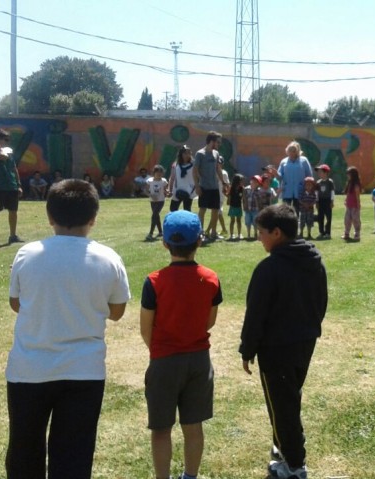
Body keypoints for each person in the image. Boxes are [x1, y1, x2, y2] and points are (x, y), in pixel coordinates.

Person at [5, 179, 131, 478]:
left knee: (24, 450)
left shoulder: (28, 253)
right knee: (74, 456)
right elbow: (117, 312)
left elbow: (16, 303)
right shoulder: (109, 258)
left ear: (49, 216)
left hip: (29, 368)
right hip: (84, 370)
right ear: (93, 218)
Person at [240, 204, 328, 479]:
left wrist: (247, 349)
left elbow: (256, 314)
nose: (259, 238)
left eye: (261, 232)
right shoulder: (314, 261)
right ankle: (282, 449)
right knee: (289, 397)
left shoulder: (269, 269)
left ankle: (294, 464)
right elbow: (321, 302)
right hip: (305, 342)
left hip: (276, 349)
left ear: (276, 233)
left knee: (282, 405)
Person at [140, 210, 222, 479]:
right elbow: (209, 321)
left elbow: (146, 328)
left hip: (164, 360)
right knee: (193, 425)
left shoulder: (154, 281)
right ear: (199, 240)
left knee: (161, 429)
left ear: (165, 243)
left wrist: (161, 348)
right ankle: (190, 475)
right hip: (199, 360)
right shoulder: (210, 278)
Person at [0, 128, 23, 249]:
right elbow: (2, 157)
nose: (7, 142)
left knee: (13, 211)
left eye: (7, 139)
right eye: (5, 139)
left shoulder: (8, 152)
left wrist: (18, 185)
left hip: (11, 186)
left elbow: (14, 168)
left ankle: (13, 236)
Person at [193, 132, 225, 242]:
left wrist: (224, 182)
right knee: (202, 210)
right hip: (204, 187)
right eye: (218, 142)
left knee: (215, 210)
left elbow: (218, 169)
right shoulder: (200, 154)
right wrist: (197, 186)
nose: (219, 144)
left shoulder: (216, 153)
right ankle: (200, 233)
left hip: (214, 187)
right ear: (212, 141)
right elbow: (194, 171)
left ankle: (213, 233)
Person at [277, 141, 314, 216]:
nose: (291, 153)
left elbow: (309, 175)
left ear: (297, 151)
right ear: (287, 151)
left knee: (296, 211)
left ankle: (296, 223)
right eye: (289, 150)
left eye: (293, 151)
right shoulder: (283, 161)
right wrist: (275, 173)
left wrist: (309, 188)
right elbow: (280, 175)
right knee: (285, 211)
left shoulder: (304, 160)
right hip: (287, 190)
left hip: (299, 190)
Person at [169, 145, 197, 212]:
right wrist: (170, 190)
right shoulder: (176, 165)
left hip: (189, 190)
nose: (187, 155)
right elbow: (172, 178)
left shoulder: (194, 164)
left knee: (187, 210)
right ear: (181, 154)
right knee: (173, 209)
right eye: (185, 153)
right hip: (177, 190)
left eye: (189, 153)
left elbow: (198, 176)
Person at [146, 165, 169, 241]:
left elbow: (165, 190)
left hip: (160, 201)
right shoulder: (150, 181)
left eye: (160, 173)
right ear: (154, 173)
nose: (159, 174)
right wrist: (151, 195)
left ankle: (151, 233)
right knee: (156, 215)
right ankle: (160, 232)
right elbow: (146, 190)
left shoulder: (164, 181)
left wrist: (167, 192)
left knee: (154, 215)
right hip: (153, 201)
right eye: (157, 172)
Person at [315, 165, 335, 239]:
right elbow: (316, 192)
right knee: (320, 217)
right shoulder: (318, 182)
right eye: (318, 172)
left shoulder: (330, 182)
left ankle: (327, 233)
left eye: (320, 172)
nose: (319, 173)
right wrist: (317, 201)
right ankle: (321, 232)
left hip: (327, 201)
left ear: (326, 172)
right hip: (320, 201)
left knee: (328, 217)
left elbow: (332, 192)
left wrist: (332, 201)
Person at [343, 166, 362, 241]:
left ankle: (357, 234)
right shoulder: (349, 183)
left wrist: (358, 205)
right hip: (349, 205)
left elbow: (357, 196)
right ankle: (346, 233)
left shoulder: (356, 185)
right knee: (347, 220)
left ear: (353, 175)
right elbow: (348, 193)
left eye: (349, 174)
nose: (347, 175)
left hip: (354, 206)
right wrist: (346, 200)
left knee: (355, 220)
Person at [228, 173, 245, 241]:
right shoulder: (231, 188)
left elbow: (243, 197)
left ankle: (239, 234)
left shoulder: (242, 188)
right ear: (237, 181)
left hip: (239, 206)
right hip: (232, 206)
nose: (243, 182)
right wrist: (228, 201)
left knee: (239, 221)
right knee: (232, 221)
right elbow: (229, 196)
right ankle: (231, 234)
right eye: (241, 180)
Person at [243, 175, 261, 240]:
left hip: (255, 209)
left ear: (258, 184)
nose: (254, 183)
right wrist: (245, 206)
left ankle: (255, 233)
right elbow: (244, 198)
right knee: (248, 222)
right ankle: (248, 234)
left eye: (256, 182)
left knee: (255, 222)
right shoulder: (246, 189)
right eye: (253, 181)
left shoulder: (259, 190)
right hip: (247, 209)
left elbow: (259, 200)